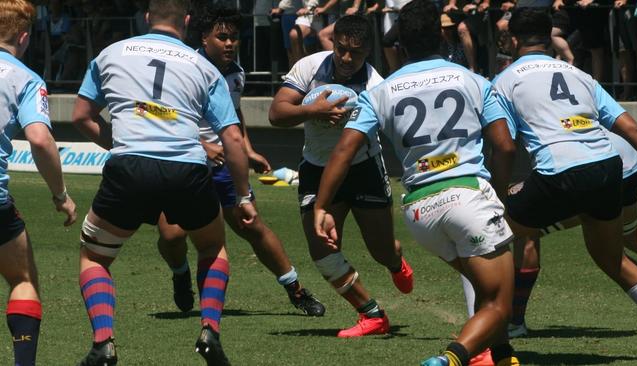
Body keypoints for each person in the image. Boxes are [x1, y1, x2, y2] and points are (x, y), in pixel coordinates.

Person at [313, 1, 520, 365]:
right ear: (441, 37)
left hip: (421, 211)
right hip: (468, 197)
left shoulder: (379, 93)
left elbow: (344, 152)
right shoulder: (474, 80)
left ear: (401, 45)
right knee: (501, 302)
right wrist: (500, 194)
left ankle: (501, 357)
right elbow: (504, 145)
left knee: (486, 288)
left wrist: (321, 206)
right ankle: (451, 359)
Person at [71, 0, 256, 365]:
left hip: (128, 167)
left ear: (145, 19)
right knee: (212, 248)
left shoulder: (111, 53)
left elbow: (80, 116)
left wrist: (122, 143)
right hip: (186, 170)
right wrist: (244, 195)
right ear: (186, 22)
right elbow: (232, 139)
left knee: (95, 256)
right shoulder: (203, 66)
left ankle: (104, 342)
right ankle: (209, 331)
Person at [157, 5, 325, 317]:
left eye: (234, 37)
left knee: (252, 225)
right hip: (182, 161)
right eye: (222, 37)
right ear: (204, 38)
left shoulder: (236, 73)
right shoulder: (183, 68)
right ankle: (180, 273)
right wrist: (202, 143)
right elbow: (161, 115)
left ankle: (296, 290)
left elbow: (233, 115)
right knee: (172, 235)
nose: (230, 43)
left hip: (223, 166)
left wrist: (247, 149)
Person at [493, 7, 637, 328]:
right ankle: (507, 322)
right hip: (608, 169)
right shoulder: (580, 75)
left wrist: (497, 194)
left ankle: (496, 324)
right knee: (613, 258)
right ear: (550, 36)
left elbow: (505, 146)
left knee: (487, 234)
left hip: (560, 174)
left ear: (511, 39)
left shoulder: (504, 81)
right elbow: (633, 130)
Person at [269, 14, 414, 338]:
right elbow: (277, 113)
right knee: (321, 247)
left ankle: (395, 261)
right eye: (342, 50)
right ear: (333, 43)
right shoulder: (308, 68)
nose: (348, 59)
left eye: (357, 53)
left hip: (362, 168)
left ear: (368, 53)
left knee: (381, 250)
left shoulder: (376, 86)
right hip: (316, 166)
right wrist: (312, 111)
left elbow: (348, 150)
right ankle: (371, 313)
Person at [504, 130, 637, 338]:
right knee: (629, 236)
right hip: (627, 159)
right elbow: (631, 126)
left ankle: (514, 323)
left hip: (590, 164)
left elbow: (504, 145)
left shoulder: (510, 98)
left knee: (526, 231)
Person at [0, 1, 77, 365]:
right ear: (24, 36)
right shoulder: (27, 79)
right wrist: (60, 195)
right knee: (22, 279)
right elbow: (41, 140)